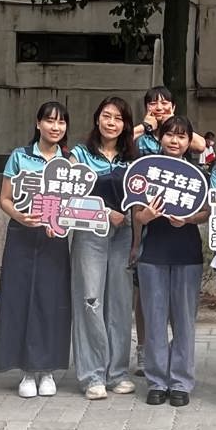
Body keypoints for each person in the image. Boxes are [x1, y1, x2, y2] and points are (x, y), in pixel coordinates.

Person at [0, 101, 74, 397]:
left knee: (51, 301)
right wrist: (19, 216)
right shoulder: (20, 156)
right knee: (20, 300)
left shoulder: (69, 161)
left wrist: (62, 221)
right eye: (50, 121)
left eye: (61, 122)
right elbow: (5, 199)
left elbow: (74, 204)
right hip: (22, 236)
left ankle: (48, 369)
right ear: (38, 123)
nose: (55, 127)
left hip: (54, 240)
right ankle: (27, 371)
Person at [133, 116, 208, 406]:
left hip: (187, 253)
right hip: (153, 253)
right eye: (169, 135)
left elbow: (206, 211)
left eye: (181, 136)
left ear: (189, 141)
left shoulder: (197, 173)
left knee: (184, 320)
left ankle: (180, 382)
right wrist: (147, 216)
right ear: (160, 138)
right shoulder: (146, 169)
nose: (174, 141)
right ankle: (156, 381)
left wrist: (188, 219)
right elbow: (136, 215)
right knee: (154, 319)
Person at [70, 96, 137, 399]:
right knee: (90, 300)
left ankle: (117, 372)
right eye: (107, 116)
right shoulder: (79, 154)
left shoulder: (131, 158)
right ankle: (92, 375)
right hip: (90, 234)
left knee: (120, 303)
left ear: (126, 125)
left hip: (123, 234)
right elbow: (72, 196)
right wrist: (104, 212)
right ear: (97, 119)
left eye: (118, 118)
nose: (112, 123)